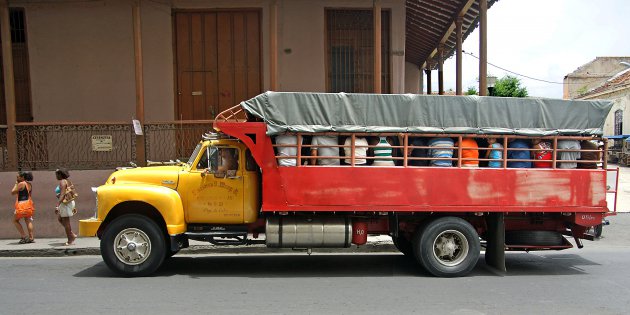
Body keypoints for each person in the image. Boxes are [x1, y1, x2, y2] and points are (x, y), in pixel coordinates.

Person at [55, 168, 77, 246]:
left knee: (66, 222)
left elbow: (62, 194)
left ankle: (70, 240)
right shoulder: (67, 180)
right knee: (60, 219)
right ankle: (71, 235)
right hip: (67, 203)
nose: (56, 176)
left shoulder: (62, 182)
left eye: (57, 174)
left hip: (65, 204)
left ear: (60, 174)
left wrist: (57, 206)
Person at [12, 171, 35, 244]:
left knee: (15, 220)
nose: (17, 178)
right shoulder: (29, 184)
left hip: (22, 205)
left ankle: (24, 236)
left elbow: (12, 192)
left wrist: (16, 183)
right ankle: (31, 238)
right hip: (28, 205)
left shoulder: (21, 184)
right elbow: (29, 195)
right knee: (28, 220)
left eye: (18, 177)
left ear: (22, 177)